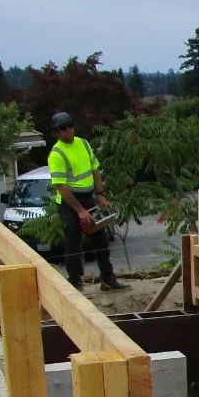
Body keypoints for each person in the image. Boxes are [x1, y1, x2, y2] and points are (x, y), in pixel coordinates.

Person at [48, 111, 124, 293]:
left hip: (87, 197)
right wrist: (80, 211)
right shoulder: (56, 154)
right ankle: (75, 283)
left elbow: (95, 169)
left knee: (100, 238)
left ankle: (107, 279)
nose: (69, 130)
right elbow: (61, 187)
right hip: (69, 202)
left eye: (70, 125)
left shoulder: (83, 144)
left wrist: (100, 193)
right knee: (73, 242)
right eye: (64, 128)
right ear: (56, 132)